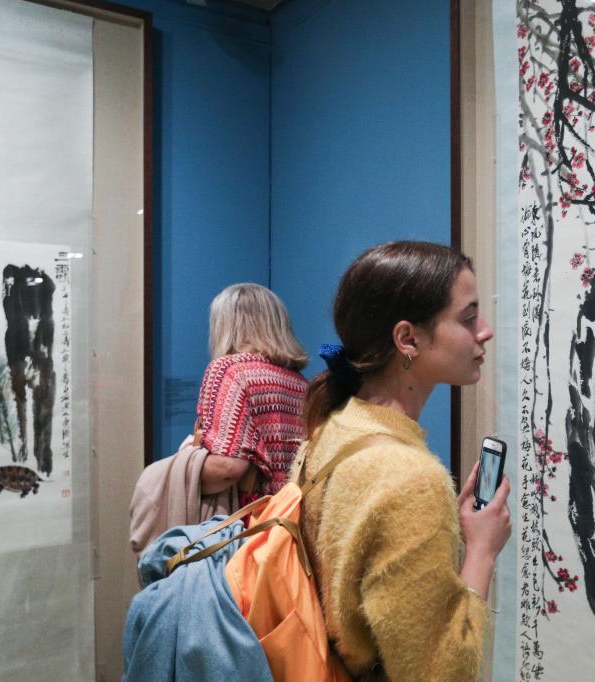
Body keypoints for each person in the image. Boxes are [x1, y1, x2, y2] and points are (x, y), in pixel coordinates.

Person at [295, 241, 512, 681]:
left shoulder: (334, 427)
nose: (485, 331)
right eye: (468, 318)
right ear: (408, 339)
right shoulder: (411, 479)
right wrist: (482, 551)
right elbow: (440, 674)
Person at [196, 283, 309, 508]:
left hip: (244, 520)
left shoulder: (229, 370)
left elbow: (227, 469)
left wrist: (164, 474)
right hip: (286, 519)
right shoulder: (301, 384)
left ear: (225, 325)